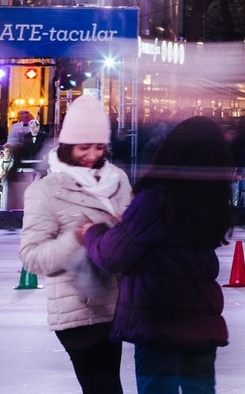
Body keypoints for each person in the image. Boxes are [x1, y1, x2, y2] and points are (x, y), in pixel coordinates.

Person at [82, 116, 235, 393]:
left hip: (159, 320)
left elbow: (113, 255)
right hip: (201, 319)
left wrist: (93, 233)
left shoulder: (157, 199)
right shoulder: (213, 201)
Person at [19, 94, 133, 393]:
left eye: (99, 147)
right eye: (84, 147)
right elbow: (31, 256)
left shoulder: (118, 180)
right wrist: (76, 240)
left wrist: (127, 230)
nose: (92, 154)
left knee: (109, 385)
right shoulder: (46, 190)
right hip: (76, 310)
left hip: (115, 304)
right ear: (68, 145)